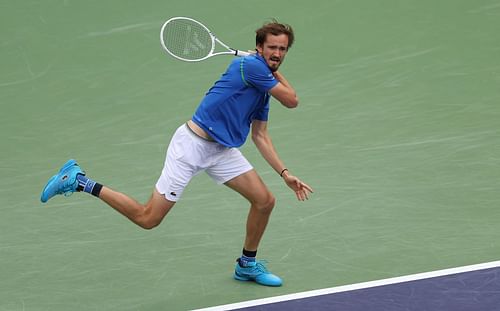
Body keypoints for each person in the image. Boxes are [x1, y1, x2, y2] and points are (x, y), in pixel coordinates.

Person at [40, 20, 313, 287]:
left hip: (221, 151)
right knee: (148, 219)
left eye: (283, 49)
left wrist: (284, 173)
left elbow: (260, 136)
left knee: (264, 201)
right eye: (272, 48)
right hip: (191, 147)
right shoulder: (250, 65)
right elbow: (292, 100)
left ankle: (246, 265)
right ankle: (79, 181)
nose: (277, 54)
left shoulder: (263, 90)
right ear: (258, 48)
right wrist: (272, 71)